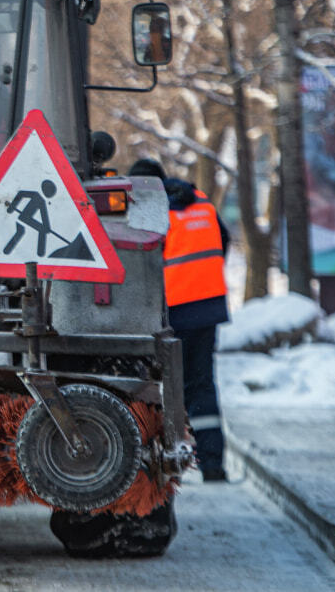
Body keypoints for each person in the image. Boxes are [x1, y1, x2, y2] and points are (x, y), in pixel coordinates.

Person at [129, 158, 230, 482]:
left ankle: (158, 462)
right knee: (201, 384)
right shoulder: (202, 203)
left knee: (158, 384)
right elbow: (221, 244)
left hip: (172, 311)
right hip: (208, 308)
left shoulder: (150, 211)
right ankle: (212, 464)